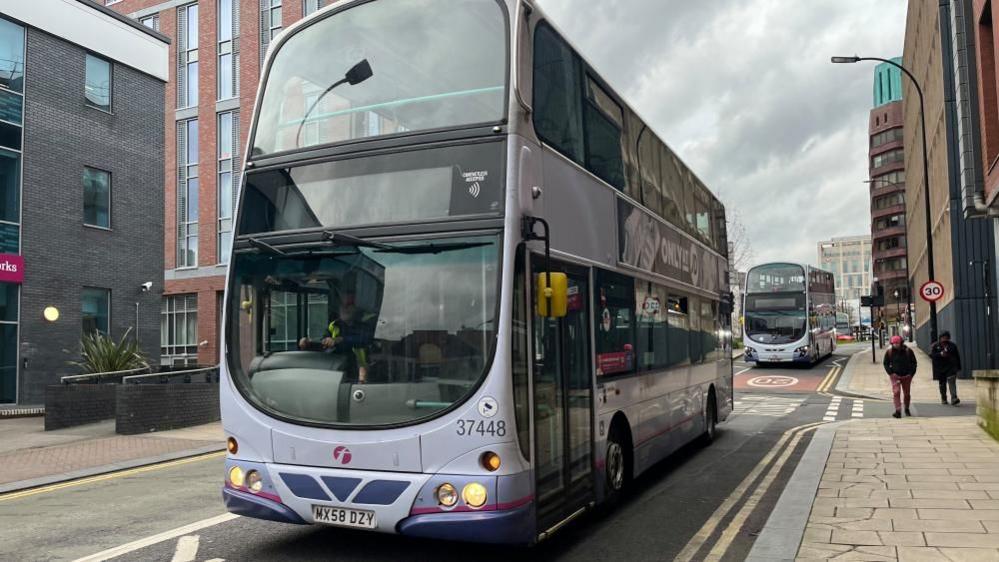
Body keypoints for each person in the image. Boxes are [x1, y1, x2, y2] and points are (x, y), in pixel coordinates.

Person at [298, 298, 374, 384]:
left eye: (349, 305)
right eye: (343, 305)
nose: (345, 308)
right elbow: (325, 344)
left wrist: (341, 339)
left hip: (360, 370)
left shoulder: (364, 326)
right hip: (335, 370)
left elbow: (365, 339)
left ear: (355, 309)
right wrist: (308, 345)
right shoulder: (334, 325)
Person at [883, 335, 917, 418]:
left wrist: (911, 374)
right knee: (896, 392)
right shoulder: (889, 352)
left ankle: (906, 408)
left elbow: (914, 363)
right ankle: (898, 410)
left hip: (906, 376)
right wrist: (891, 373)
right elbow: (885, 363)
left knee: (907, 394)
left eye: (897, 343)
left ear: (901, 343)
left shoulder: (908, 351)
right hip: (895, 376)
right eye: (893, 343)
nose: (895, 345)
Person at [930, 331, 962, 405]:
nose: (944, 339)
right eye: (943, 337)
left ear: (948, 338)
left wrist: (958, 367)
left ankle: (954, 398)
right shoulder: (936, 346)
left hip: (950, 367)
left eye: (946, 337)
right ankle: (943, 398)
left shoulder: (952, 346)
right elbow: (932, 355)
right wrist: (940, 354)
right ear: (940, 338)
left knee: (951, 381)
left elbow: (957, 357)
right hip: (940, 368)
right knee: (942, 384)